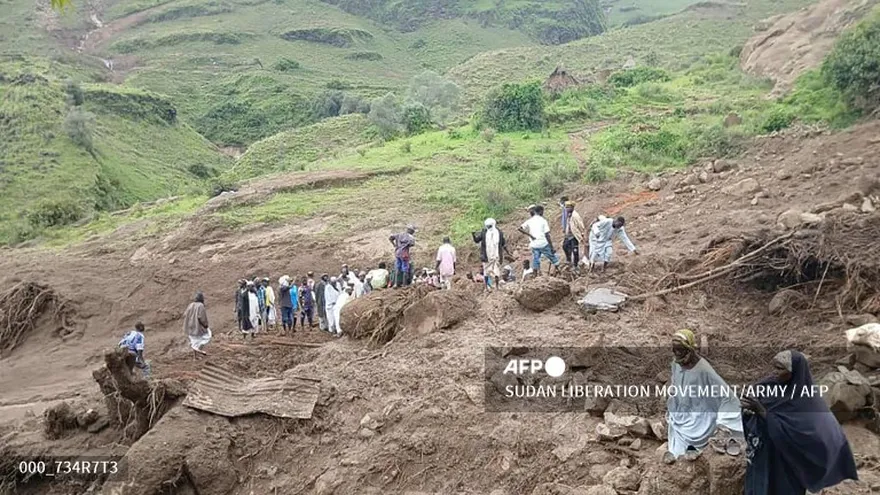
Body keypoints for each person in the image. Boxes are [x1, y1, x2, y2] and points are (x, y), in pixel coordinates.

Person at [741, 350, 858, 494]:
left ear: (794, 372)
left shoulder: (806, 401)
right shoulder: (768, 385)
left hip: (788, 461)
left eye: (780, 368)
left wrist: (761, 410)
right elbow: (752, 404)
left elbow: (802, 433)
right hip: (766, 454)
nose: (775, 372)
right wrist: (748, 410)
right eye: (774, 367)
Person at [664, 329, 743, 464]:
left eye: (680, 350)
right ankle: (679, 452)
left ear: (689, 349)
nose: (676, 353)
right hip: (684, 413)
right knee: (676, 431)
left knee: (695, 431)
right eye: (674, 349)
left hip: (701, 417)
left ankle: (694, 448)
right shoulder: (676, 363)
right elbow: (676, 381)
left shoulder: (703, 369)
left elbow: (727, 396)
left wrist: (723, 422)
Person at [518, 205, 559, 276]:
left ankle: (535, 275)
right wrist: (551, 247)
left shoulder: (529, 221)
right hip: (543, 243)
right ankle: (559, 270)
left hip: (534, 244)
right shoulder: (543, 220)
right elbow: (547, 235)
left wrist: (530, 236)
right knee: (552, 257)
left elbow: (520, 228)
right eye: (542, 211)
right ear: (540, 211)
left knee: (536, 259)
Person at [473, 218, 511, 289]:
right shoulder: (498, 232)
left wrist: (474, 236)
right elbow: (503, 244)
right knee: (491, 271)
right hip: (493, 256)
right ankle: (493, 286)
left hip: (490, 256)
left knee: (489, 271)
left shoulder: (485, 232)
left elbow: (477, 240)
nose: (488, 227)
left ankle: (490, 287)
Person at [183, 292, 211, 358]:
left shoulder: (190, 305)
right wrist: (205, 325)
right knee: (207, 336)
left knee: (194, 340)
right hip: (197, 327)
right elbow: (202, 317)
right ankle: (199, 350)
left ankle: (195, 356)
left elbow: (185, 314)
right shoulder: (200, 306)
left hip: (189, 327)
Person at [563, 201, 586, 272]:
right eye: (566, 207)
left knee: (575, 250)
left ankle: (576, 265)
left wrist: (582, 233)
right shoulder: (569, 214)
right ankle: (569, 259)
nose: (567, 209)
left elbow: (581, 225)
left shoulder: (575, 215)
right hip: (568, 235)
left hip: (574, 236)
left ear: (572, 207)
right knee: (564, 246)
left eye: (568, 207)